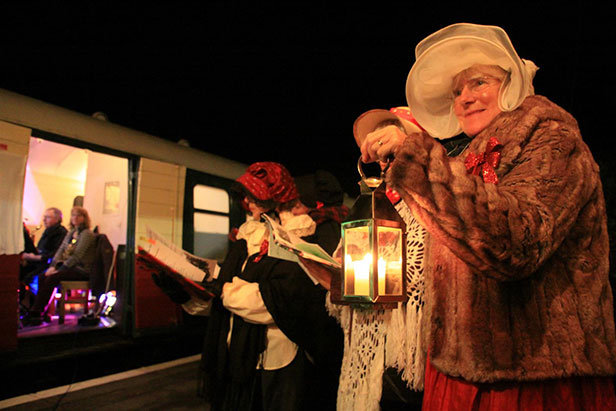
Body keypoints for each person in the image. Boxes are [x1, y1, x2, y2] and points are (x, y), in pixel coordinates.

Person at [360, 23, 616, 409]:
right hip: (457, 371)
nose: (465, 98)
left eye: (478, 82)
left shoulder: (553, 139)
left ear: (512, 85)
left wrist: (418, 159)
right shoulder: (463, 162)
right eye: (457, 91)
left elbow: (516, 244)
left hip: (532, 377)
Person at [155, 162, 343, 410]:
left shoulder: (299, 238)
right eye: (246, 195)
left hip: (280, 361)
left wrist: (221, 289)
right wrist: (183, 288)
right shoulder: (248, 237)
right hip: (241, 358)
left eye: (255, 195)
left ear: (276, 198)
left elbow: (276, 300)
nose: (247, 201)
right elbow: (222, 305)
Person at [22, 206, 97, 326]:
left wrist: (59, 270)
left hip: (81, 269)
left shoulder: (87, 234)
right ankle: (42, 312)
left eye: (79, 215)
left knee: (53, 277)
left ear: (84, 218)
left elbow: (77, 256)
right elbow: (60, 250)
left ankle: (36, 312)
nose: (75, 218)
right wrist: (52, 266)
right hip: (69, 267)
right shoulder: (72, 233)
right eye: (73, 215)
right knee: (42, 276)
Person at [20, 208, 68, 291]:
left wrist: (34, 257)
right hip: (40, 261)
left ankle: (33, 300)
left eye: (48, 217)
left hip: (49, 264)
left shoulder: (61, 232)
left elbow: (55, 254)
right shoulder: (48, 231)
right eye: (44, 217)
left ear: (57, 219)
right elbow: (41, 248)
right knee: (19, 270)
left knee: (29, 276)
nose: (44, 220)